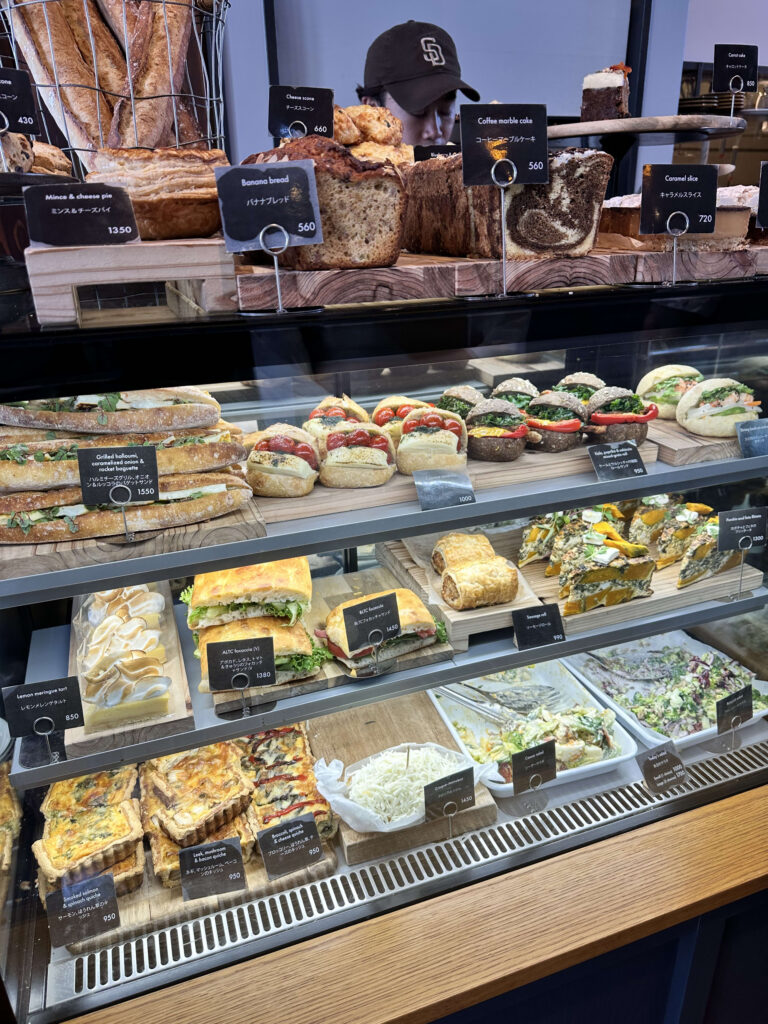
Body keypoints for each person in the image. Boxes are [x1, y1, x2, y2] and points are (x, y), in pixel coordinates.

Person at [357, 20, 479, 147]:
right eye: (419, 112)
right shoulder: (340, 164)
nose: (435, 132)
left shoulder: (473, 163)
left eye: (445, 111)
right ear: (372, 109)